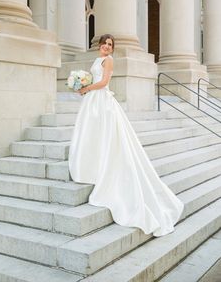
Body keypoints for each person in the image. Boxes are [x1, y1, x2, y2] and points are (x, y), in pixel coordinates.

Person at [69, 34, 184, 237]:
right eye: (104, 43)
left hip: (102, 101)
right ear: (99, 46)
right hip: (92, 101)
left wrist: (87, 87)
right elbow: (95, 78)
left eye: (110, 45)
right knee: (92, 135)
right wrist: (82, 87)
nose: (106, 47)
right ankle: (92, 164)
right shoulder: (96, 60)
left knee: (106, 136)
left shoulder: (109, 60)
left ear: (112, 49)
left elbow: (104, 82)